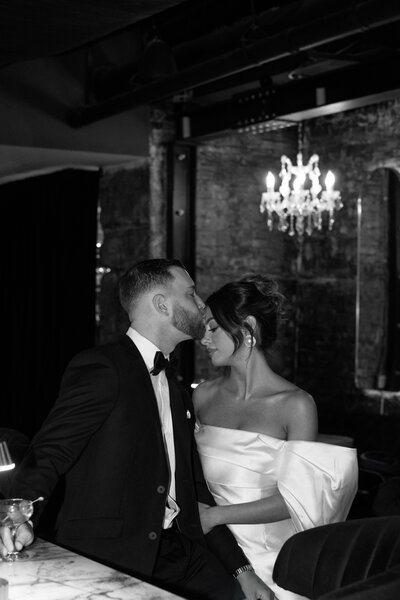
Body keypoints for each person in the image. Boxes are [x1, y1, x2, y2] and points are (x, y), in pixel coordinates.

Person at [0, 259, 271, 600]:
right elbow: (49, 453)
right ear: (162, 304)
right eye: (190, 294)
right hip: (114, 556)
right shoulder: (103, 367)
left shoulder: (177, 391)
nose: (201, 304)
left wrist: (241, 570)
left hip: (180, 552)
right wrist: (18, 515)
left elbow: (196, 488)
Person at [193, 274, 358, 600]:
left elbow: (298, 498)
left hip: (272, 561)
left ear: (248, 328)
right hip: (211, 553)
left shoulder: (295, 405)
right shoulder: (203, 398)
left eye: (212, 328)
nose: (204, 339)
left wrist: (215, 516)